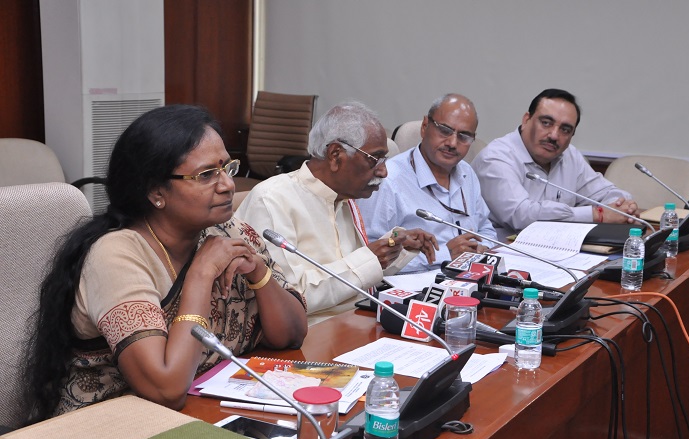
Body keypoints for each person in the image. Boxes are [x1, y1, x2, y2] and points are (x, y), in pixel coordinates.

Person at [22, 105, 308, 422]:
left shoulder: (228, 232)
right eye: (206, 175)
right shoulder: (117, 256)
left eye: (227, 168)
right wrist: (201, 274)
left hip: (203, 413)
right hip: (105, 429)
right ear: (156, 192)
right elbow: (166, 389)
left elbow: (291, 336)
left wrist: (258, 273)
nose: (228, 184)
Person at [235, 102, 437, 325]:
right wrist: (370, 259)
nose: (383, 171)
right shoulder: (272, 199)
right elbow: (290, 297)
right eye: (375, 159)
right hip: (312, 332)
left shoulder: (343, 197)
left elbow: (355, 281)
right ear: (335, 155)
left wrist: (396, 249)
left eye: (384, 160)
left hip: (358, 321)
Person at [472, 88, 638, 240]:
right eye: (546, 123)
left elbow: (605, 192)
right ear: (526, 120)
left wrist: (623, 208)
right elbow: (522, 215)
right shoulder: (496, 158)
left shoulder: (569, 155)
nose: (554, 135)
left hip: (557, 247)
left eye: (565, 129)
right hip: (503, 252)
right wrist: (597, 215)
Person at [357, 94, 498, 272]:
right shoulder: (387, 181)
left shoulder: (467, 173)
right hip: (416, 282)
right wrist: (446, 255)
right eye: (445, 131)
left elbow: (486, 229)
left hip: (471, 275)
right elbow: (370, 257)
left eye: (464, 136)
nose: (452, 143)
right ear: (425, 127)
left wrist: (481, 248)